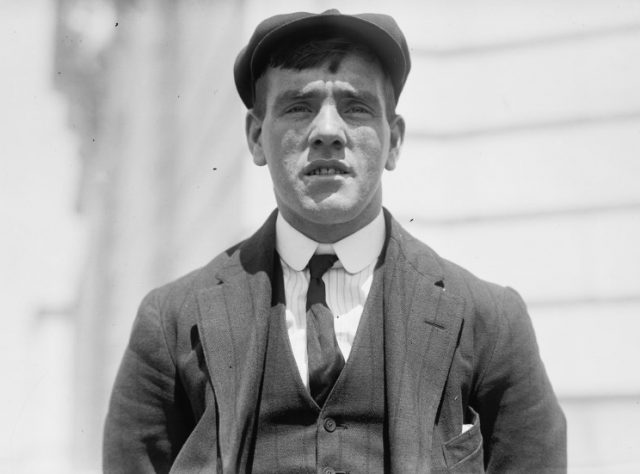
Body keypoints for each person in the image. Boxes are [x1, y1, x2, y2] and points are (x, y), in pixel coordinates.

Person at [104, 9, 566, 473]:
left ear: (395, 142)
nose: (327, 131)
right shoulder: (170, 324)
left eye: (356, 106)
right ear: (256, 137)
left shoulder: (489, 323)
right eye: (298, 106)